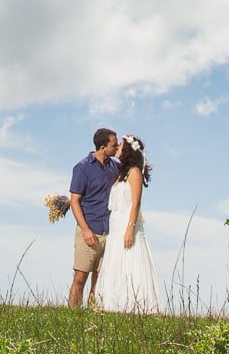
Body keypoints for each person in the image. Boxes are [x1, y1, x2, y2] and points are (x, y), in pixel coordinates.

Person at [92, 133, 163, 313]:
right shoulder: (120, 173)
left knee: (131, 263)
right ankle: (113, 304)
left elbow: (136, 203)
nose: (117, 148)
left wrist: (130, 229)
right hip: (115, 227)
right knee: (115, 263)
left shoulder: (134, 172)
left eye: (120, 145)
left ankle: (135, 305)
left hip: (127, 226)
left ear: (128, 150)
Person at [67, 127, 119, 307]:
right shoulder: (82, 167)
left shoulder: (115, 168)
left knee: (99, 282)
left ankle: (93, 313)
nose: (117, 146)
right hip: (89, 231)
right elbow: (74, 201)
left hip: (109, 233)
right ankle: (72, 315)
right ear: (103, 146)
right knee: (80, 278)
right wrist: (85, 230)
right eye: (114, 144)